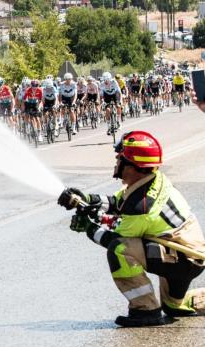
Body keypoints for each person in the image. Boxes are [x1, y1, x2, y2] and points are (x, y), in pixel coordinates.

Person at [58, 131, 205, 327]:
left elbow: (116, 239)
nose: (116, 161)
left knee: (119, 250)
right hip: (186, 255)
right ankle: (184, 301)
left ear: (133, 166)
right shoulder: (151, 180)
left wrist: (89, 228)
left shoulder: (142, 206)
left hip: (182, 260)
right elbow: (118, 202)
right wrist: (87, 199)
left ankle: (145, 311)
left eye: (120, 158)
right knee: (173, 307)